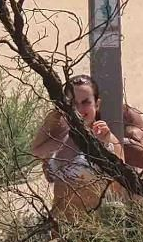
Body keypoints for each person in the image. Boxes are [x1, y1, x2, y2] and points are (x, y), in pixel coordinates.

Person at [30, 74, 125, 219]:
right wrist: (49, 122)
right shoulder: (61, 136)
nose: (79, 109)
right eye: (73, 103)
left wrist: (105, 147)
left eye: (86, 102)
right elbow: (35, 153)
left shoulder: (107, 140)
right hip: (59, 224)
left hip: (95, 225)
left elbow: (120, 186)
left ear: (97, 104)